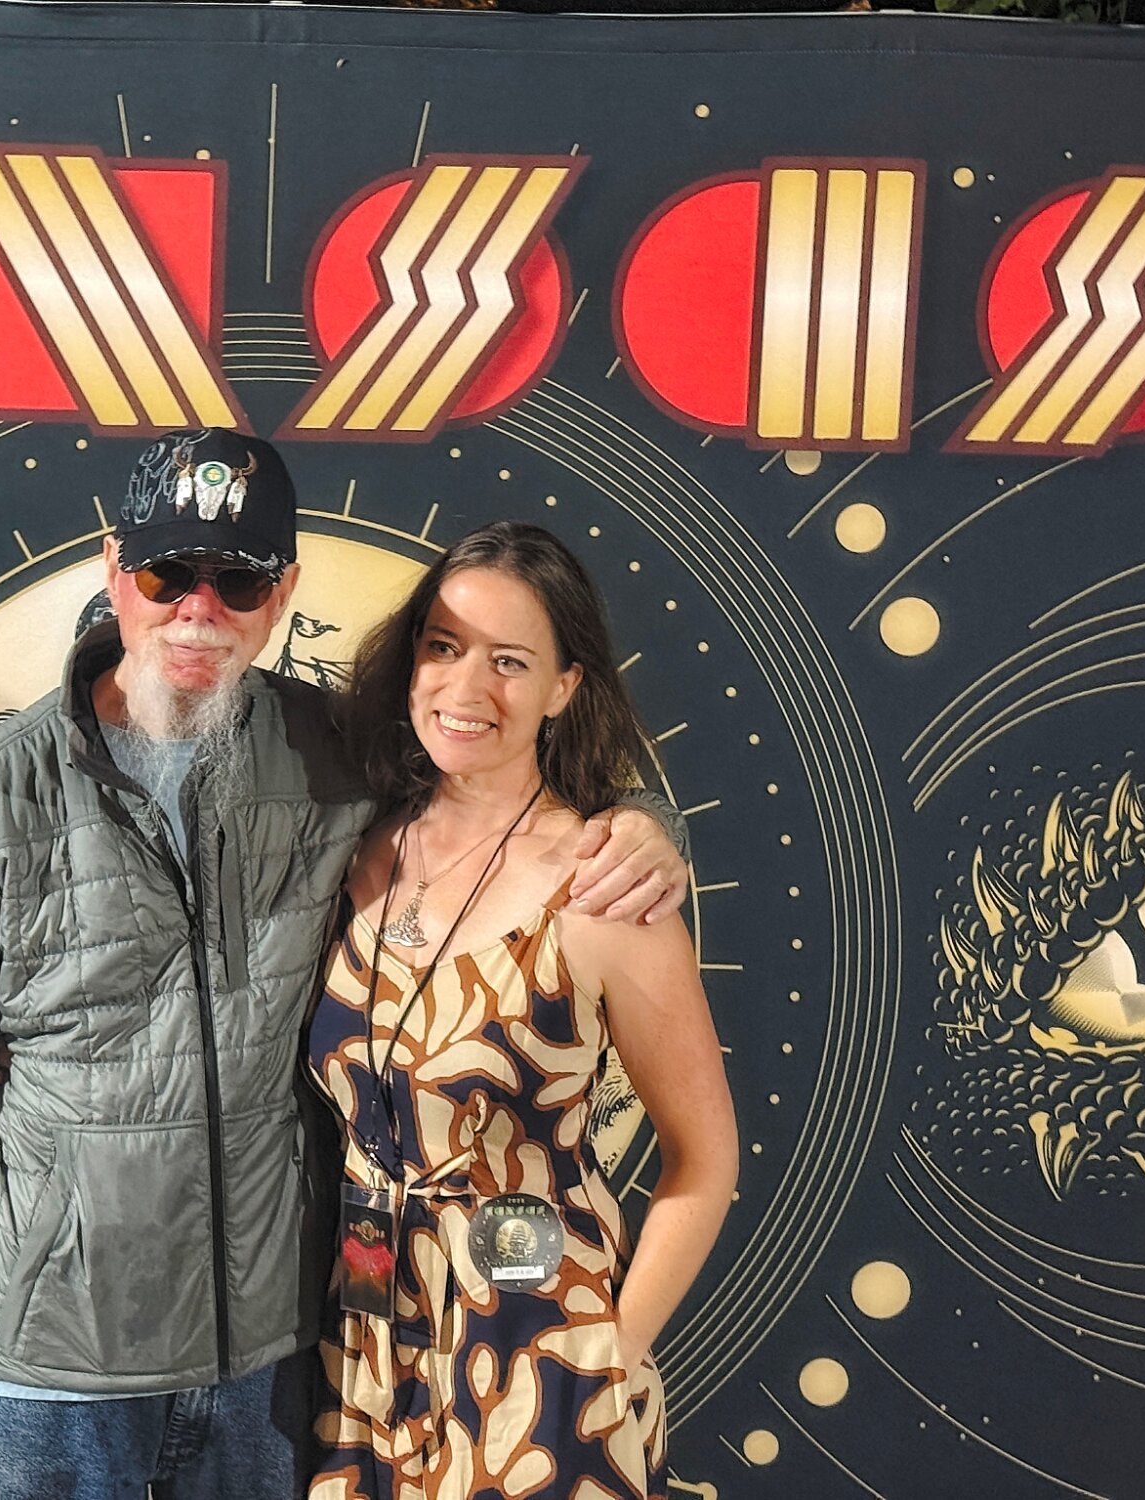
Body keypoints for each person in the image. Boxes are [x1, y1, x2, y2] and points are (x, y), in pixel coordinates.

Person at [0, 431, 693, 1500]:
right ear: (115, 569)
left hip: (278, 1371)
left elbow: (499, 774)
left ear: (282, 592)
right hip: (44, 1376)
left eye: (238, 580)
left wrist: (644, 827)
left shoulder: (331, 751)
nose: (199, 609)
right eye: (168, 573)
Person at [308, 522, 738, 1500]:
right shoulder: (353, 849)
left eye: (508, 661)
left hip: (536, 1359)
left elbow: (705, 1161)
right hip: (361, 1354)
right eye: (443, 647)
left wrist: (604, 1356)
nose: (465, 688)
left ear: (564, 687)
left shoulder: (602, 889)